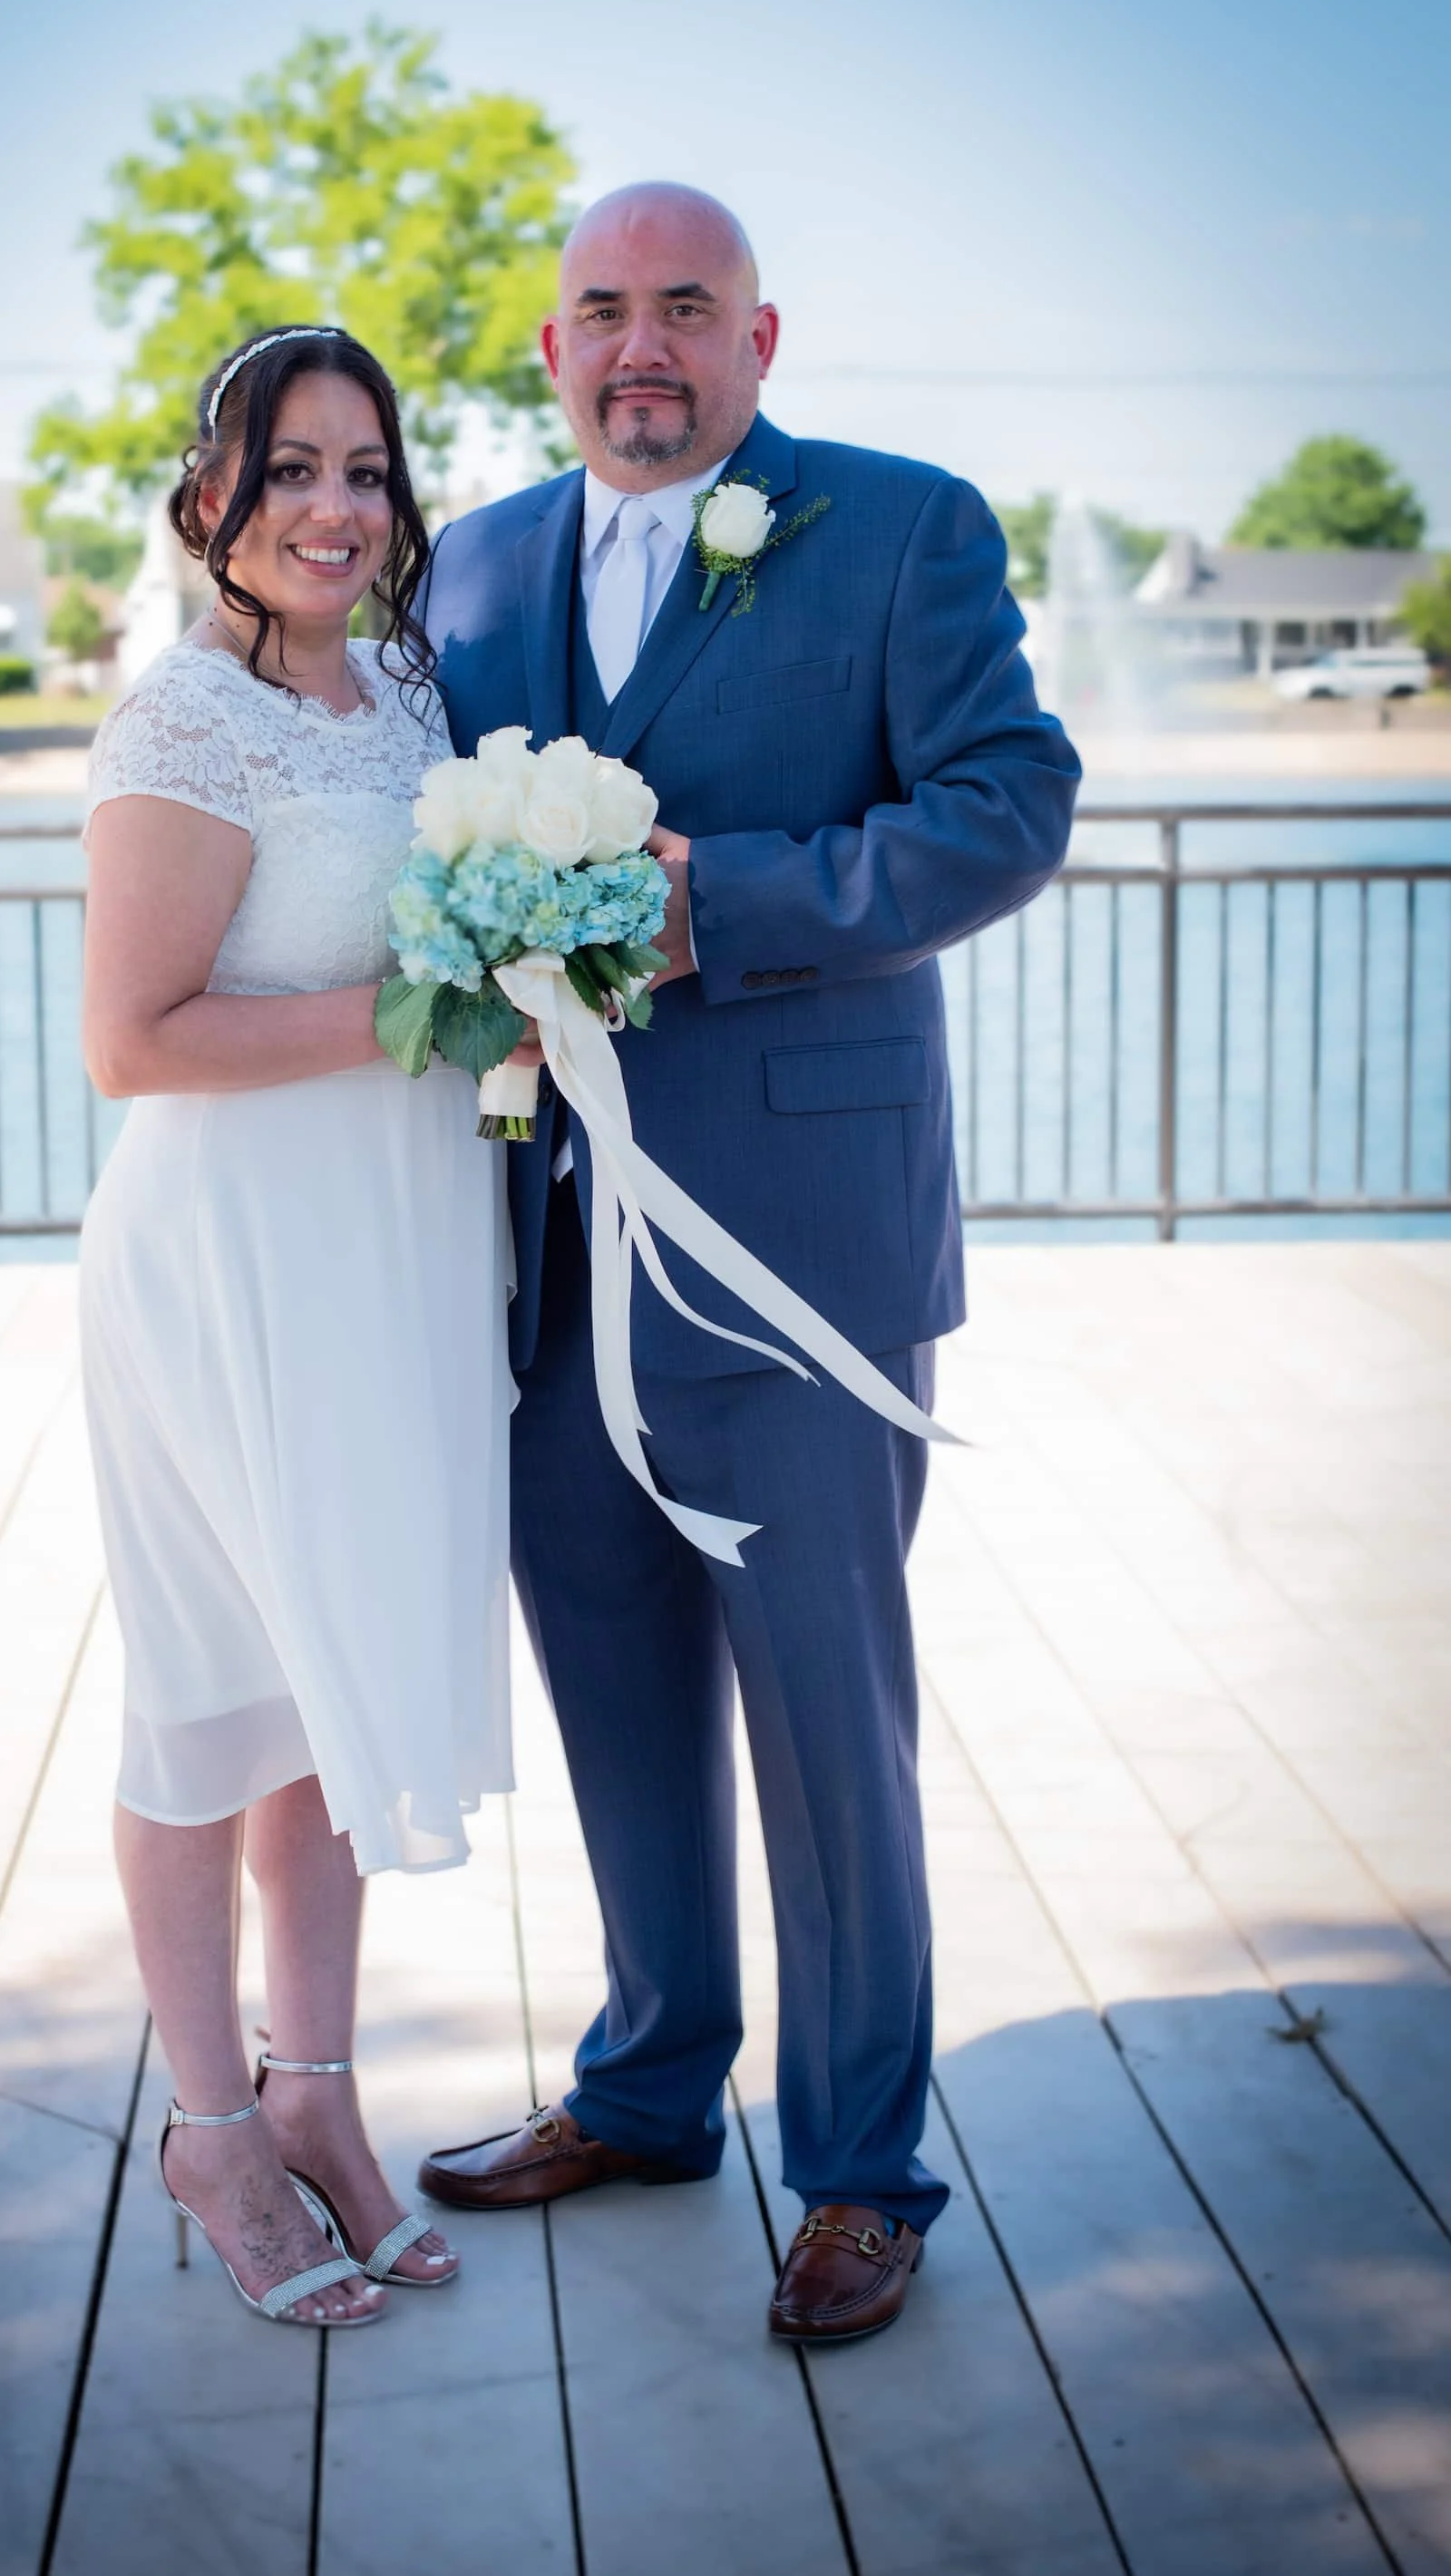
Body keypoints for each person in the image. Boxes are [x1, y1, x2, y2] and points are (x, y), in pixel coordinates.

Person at [415, 185, 1081, 2345]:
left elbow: (1008, 803)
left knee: (826, 1731)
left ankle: (865, 2168)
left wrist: (737, 903)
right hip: (535, 1253)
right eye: (602, 310)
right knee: (615, 1706)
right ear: (548, 348)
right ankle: (645, 2085)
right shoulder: (479, 563)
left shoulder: (896, 527)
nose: (643, 348)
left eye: (683, 309)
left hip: (795, 1257)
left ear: (758, 339)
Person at [77, 326, 513, 2328]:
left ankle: (321, 2097)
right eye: (293, 470)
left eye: (367, 469)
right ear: (213, 503)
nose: (338, 507)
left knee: (325, 1698)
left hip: (393, 1252)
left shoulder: (410, 689)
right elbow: (132, 1040)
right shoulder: (183, 720)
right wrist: (416, 1014)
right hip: (228, 1268)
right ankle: (207, 2129)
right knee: (207, 1698)